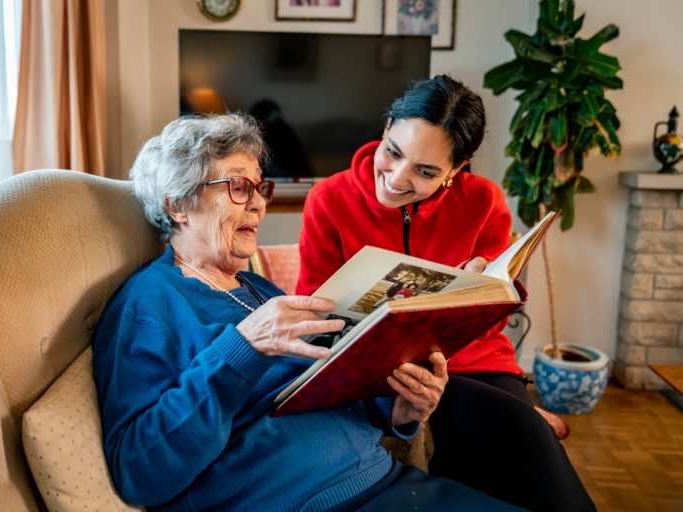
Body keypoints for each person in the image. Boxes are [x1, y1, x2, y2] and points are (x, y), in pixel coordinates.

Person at [91, 113, 522, 511]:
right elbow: (138, 471)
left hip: (385, 480)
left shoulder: (257, 289)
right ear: (177, 205)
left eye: (261, 188)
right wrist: (242, 346)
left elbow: (319, 389)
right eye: (239, 187)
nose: (258, 205)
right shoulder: (148, 304)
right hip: (305, 502)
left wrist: (401, 410)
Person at [296, 75, 593, 511]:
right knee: (504, 428)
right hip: (378, 371)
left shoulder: (485, 201)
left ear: (457, 168)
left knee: (521, 440)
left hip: (474, 364)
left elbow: (495, 315)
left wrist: (480, 290)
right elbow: (311, 312)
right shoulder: (329, 199)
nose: (396, 179)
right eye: (392, 153)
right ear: (386, 127)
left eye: (426, 171)